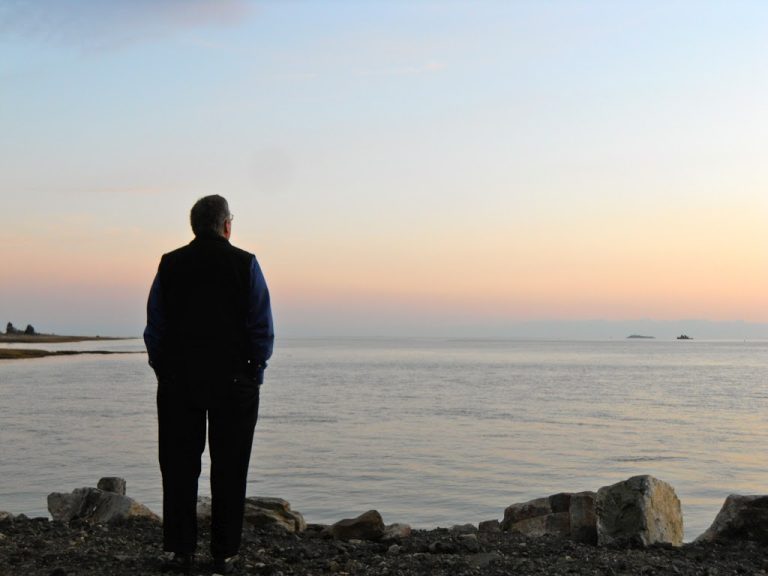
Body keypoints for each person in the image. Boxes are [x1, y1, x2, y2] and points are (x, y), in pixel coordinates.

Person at [144, 195, 274, 575]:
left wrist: (163, 371)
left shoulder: (170, 263)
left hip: (178, 382)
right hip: (234, 382)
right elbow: (261, 326)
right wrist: (255, 372)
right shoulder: (245, 263)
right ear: (226, 225)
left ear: (195, 226)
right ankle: (224, 554)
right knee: (230, 469)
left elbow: (156, 327)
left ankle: (180, 550)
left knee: (178, 468)